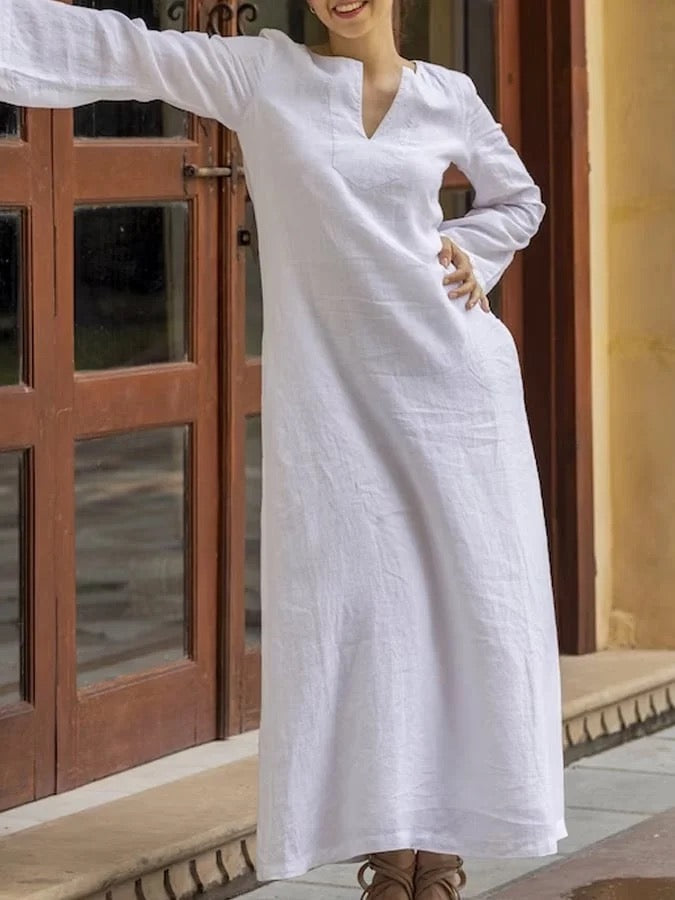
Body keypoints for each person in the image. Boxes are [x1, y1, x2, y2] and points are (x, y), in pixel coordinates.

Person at [0, 0, 568, 897]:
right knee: (364, 613)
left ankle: (440, 850)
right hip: (337, 412)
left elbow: (520, 199)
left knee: (465, 609)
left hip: (454, 399)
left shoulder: (449, 95)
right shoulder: (264, 76)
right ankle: (390, 845)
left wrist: (470, 250)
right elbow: (128, 49)